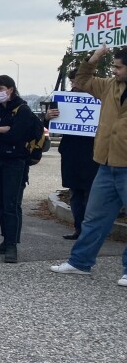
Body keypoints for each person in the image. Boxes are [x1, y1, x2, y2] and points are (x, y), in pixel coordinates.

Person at [51, 45, 127, 287]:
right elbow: (83, 80)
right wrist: (94, 58)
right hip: (105, 164)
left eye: (118, 66)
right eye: (113, 66)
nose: (114, 70)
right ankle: (80, 262)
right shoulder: (108, 86)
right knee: (94, 217)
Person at [0, 74, 37, 263]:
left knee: (11, 204)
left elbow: (16, 136)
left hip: (15, 162)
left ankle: (12, 245)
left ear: (10, 89)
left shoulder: (22, 110)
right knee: (0, 204)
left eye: (0, 88)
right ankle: (5, 240)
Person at [45, 69, 99, 240]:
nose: (74, 85)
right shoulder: (63, 99)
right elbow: (50, 123)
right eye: (72, 81)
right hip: (71, 153)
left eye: (77, 81)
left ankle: (91, 233)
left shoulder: (101, 98)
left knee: (92, 195)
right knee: (75, 193)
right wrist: (47, 116)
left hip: (94, 153)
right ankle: (79, 229)